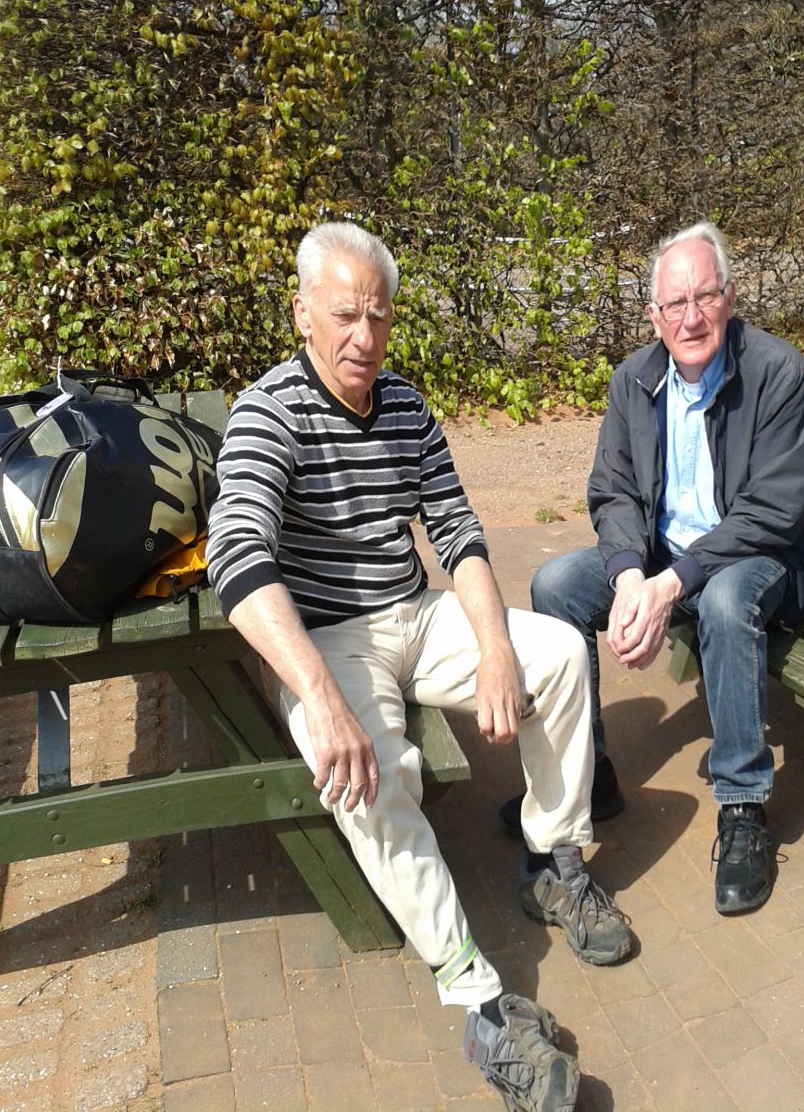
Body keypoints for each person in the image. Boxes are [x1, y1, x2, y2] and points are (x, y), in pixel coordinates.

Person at [205, 220, 631, 1111]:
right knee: (371, 769)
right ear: (303, 314)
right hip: (328, 637)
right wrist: (317, 696)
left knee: (557, 653)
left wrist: (495, 647)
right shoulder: (267, 412)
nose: (364, 335)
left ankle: (553, 863)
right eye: (344, 314)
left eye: (378, 314)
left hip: (414, 610)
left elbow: (458, 530)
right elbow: (237, 558)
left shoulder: (403, 403)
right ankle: (476, 998)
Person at [516, 221, 804, 915]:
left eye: (705, 297)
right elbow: (613, 488)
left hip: (758, 557)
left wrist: (673, 582)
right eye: (675, 303)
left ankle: (743, 806)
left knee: (723, 602)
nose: (692, 317)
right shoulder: (635, 378)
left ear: (730, 298)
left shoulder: (780, 373)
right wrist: (631, 576)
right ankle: (588, 777)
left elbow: (772, 512)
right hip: (661, 559)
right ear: (653, 315)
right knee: (554, 586)